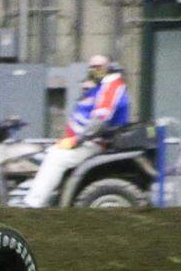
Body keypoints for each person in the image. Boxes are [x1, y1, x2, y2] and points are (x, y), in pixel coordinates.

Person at [23, 55, 130, 207]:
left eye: (98, 67)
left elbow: (100, 120)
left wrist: (77, 140)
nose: (94, 70)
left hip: (96, 142)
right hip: (86, 140)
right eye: (92, 67)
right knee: (45, 153)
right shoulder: (99, 88)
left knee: (56, 157)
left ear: (109, 67)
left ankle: (32, 205)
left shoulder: (112, 85)